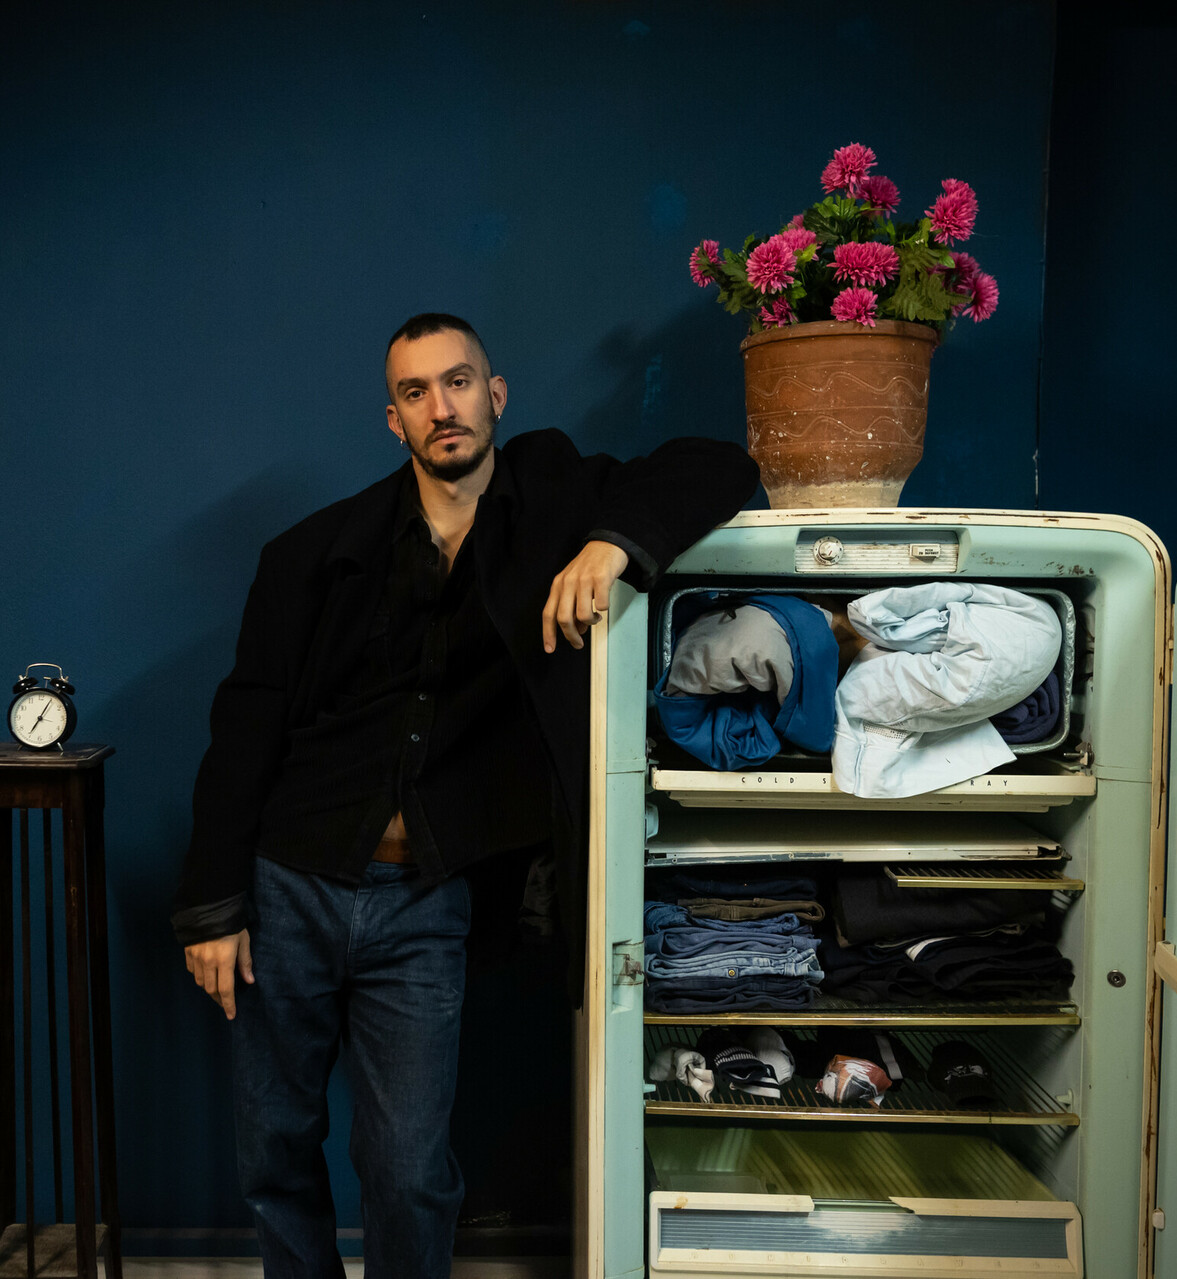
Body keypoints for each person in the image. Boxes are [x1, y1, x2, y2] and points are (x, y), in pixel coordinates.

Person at [170, 313, 758, 1279]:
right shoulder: (312, 553)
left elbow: (721, 465)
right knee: (273, 1143)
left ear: (496, 394)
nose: (441, 407)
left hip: (427, 898)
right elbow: (244, 731)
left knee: (408, 1166)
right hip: (292, 885)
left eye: (457, 382)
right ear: (393, 419)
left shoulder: (556, 499)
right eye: (415, 392)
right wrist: (213, 905)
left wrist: (614, 544)